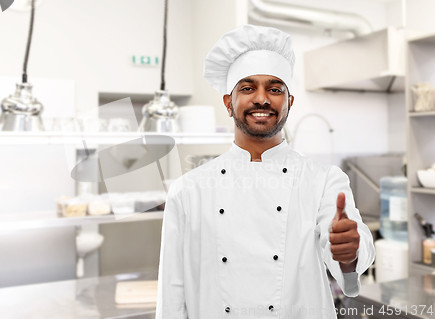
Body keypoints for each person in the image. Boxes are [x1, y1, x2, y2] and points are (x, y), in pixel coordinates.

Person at [155, 24, 375, 319]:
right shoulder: (188, 190)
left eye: (275, 89)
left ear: (289, 103)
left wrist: (349, 252)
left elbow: (348, 266)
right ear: (228, 104)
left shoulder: (323, 180)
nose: (262, 98)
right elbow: (171, 292)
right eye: (247, 88)